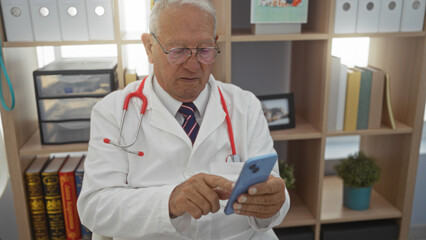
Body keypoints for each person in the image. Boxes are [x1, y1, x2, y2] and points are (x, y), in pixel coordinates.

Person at [77, 0, 290, 239]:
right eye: (178, 51)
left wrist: (274, 202)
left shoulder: (245, 105)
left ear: (215, 44)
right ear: (149, 47)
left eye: (204, 50)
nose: (192, 65)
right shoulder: (113, 112)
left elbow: (272, 191)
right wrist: (169, 201)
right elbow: (95, 208)